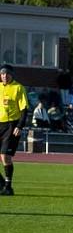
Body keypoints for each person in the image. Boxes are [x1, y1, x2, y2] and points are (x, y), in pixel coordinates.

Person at [0, 64, 30, 195]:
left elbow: (24, 110)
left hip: (11, 125)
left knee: (5, 156)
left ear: (12, 75)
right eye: (2, 74)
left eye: (7, 74)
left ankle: (8, 187)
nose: (4, 76)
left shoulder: (19, 88)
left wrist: (19, 126)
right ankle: (1, 184)